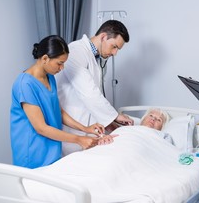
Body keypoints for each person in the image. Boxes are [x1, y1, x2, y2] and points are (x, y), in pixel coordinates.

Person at [10, 35, 113, 169]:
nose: (62, 68)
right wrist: (78, 139)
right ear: (45, 58)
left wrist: (85, 129)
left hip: (52, 149)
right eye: (59, 63)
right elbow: (41, 128)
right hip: (32, 152)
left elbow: (58, 111)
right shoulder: (25, 85)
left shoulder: (50, 78)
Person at [55, 20, 134, 156]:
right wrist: (114, 116)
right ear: (103, 37)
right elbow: (89, 93)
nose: (115, 53)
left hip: (85, 129)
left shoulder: (96, 59)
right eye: (114, 46)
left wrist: (109, 122)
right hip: (69, 129)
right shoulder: (76, 51)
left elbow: (95, 96)